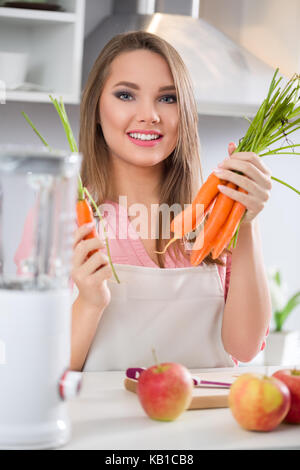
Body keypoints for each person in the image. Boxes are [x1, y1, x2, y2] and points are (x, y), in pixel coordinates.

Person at [70, 31, 272, 372]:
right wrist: (90, 302)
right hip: (105, 424)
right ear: (96, 110)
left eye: (168, 99)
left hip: (203, 419)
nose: (150, 115)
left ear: (186, 113)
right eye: (125, 95)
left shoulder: (217, 214)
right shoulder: (68, 217)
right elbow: (45, 372)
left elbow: (245, 346)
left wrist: (247, 222)